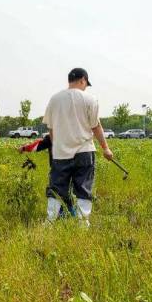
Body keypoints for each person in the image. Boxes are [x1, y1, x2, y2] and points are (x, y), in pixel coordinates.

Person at [42, 68, 113, 224]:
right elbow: (96, 126)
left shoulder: (54, 99)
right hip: (84, 152)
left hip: (61, 153)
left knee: (56, 187)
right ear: (82, 80)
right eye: (86, 84)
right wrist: (105, 148)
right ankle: (82, 223)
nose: (85, 87)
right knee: (83, 188)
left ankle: (51, 221)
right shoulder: (90, 99)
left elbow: (51, 128)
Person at [19, 134, 76, 218]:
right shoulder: (71, 134)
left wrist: (23, 148)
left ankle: (62, 215)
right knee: (67, 192)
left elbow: (37, 146)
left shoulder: (53, 135)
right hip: (72, 168)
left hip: (57, 169)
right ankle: (71, 214)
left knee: (55, 192)